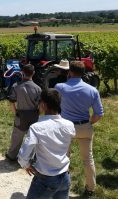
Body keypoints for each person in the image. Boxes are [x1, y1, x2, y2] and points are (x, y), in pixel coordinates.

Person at [55, 61, 104, 197]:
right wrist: (89, 123)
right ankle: (90, 188)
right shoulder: (93, 90)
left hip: (65, 127)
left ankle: (61, 185)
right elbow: (98, 114)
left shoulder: (60, 87)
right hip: (84, 126)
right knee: (88, 159)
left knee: (63, 157)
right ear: (84, 73)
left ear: (70, 72)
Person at [18, 89, 75, 199]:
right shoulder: (69, 125)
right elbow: (68, 147)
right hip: (65, 177)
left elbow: (24, 154)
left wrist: (26, 165)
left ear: (43, 104)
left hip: (45, 179)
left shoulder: (36, 128)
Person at [5, 64, 42, 162]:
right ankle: (31, 157)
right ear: (33, 73)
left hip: (20, 115)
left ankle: (12, 155)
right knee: (33, 138)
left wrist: (15, 112)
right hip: (34, 115)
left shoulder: (16, 86)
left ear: (22, 72)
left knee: (17, 137)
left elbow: (12, 102)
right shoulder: (38, 88)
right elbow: (40, 105)